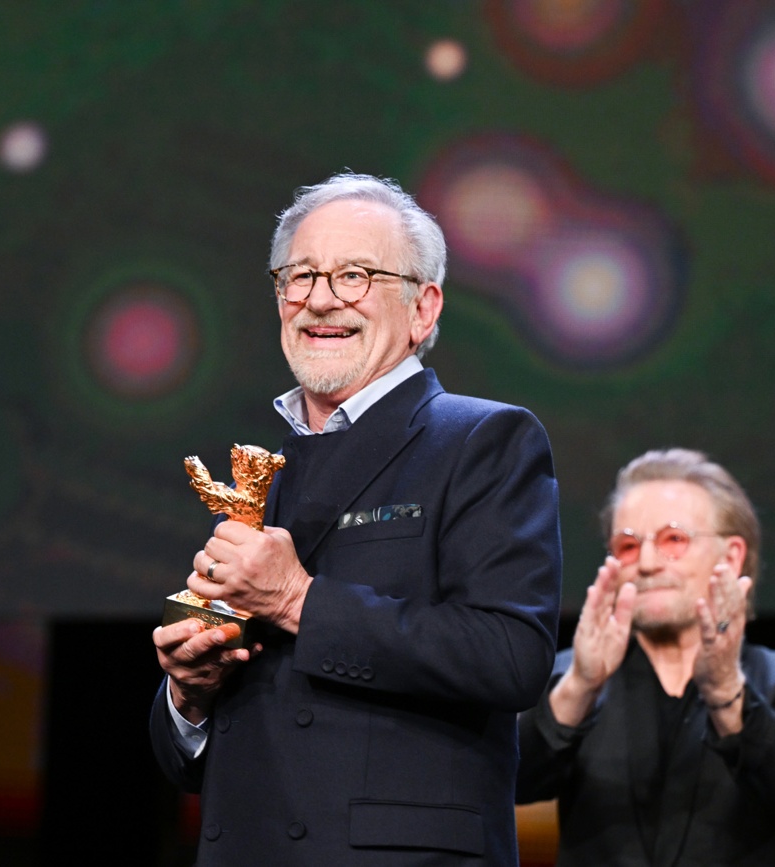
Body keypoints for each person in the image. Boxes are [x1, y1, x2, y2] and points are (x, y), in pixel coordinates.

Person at [150, 172, 563, 865]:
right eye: (301, 275)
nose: (319, 298)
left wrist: (295, 598)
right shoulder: (264, 472)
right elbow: (193, 763)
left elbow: (511, 655)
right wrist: (187, 698)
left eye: (355, 275)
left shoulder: (483, 440)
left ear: (423, 309)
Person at [515, 448, 775, 866]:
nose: (648, 563)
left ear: (730, 557)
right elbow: (515, 785)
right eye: (629, 546)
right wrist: (581, 686)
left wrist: (725, 689)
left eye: (673, 540)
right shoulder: (568, 680)